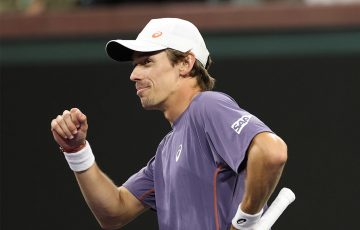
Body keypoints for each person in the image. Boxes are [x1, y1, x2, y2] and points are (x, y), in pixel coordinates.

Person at [50, 18, 288, 230]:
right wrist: (76, 151)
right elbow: (114, 213)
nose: (134, 75)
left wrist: (245, 220)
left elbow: (272, 152)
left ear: (185, 63)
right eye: (135, 64)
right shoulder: (166, 150)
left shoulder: (206, 107)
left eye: (146, 62)